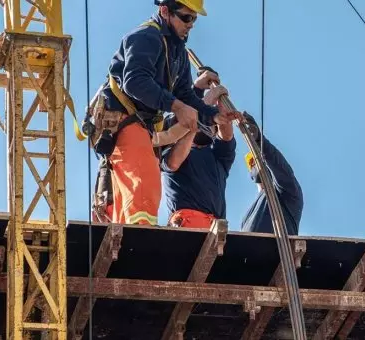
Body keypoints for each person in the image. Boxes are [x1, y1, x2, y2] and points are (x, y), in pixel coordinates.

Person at [91, 0, 239, 225]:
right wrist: (177, 107)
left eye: (194, 19)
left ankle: (128, 239)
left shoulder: (177, 50)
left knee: (133, 192)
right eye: (186, 17)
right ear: (164, 11)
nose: (191, 24)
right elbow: (135, 82)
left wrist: (213, 116)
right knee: (143, 183)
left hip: (141, 126)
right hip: (125, 120)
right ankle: (139, 239)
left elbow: (186, 96)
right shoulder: (146, 37)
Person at [160, 72, 236, 229]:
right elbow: (173, 163)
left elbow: (226, 135)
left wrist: (222, 105)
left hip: (215, 228)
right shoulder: (171, 150)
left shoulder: (217, 157)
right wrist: (199, 116)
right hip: (186, 224)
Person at [240, 114, 304, 235]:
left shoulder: (287, 193)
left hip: (276, 252)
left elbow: (279, 164)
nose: (257, 164)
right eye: (253, 162)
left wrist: (259, 140)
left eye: (259, 159)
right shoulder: (248, 216)